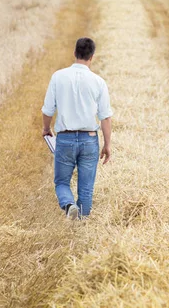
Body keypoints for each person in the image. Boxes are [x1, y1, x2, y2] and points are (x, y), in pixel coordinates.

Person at [41, 37, 113, 220]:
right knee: (86, 188)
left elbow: (48, 109)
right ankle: (82, 227)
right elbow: (105, 117)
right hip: (89, 139)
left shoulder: (58, 77)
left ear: (74, 53)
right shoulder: (98, 82)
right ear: (92, 57)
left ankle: (69, 204)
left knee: (62, 182)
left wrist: (46, 128)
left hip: (65, 139)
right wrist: (107, 144)